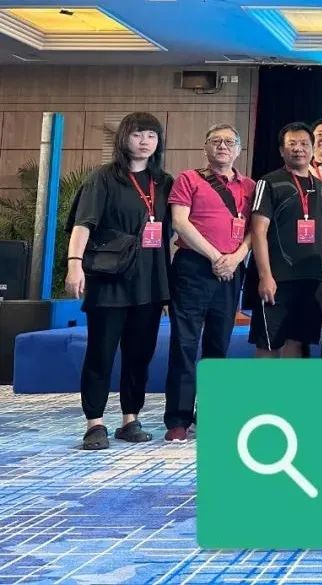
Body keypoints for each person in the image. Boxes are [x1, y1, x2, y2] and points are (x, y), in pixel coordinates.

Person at [65, 112, 173, 450]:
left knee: (139, 355)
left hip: (150, 283)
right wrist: (74, 264)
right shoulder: (104, 178)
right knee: (101, 353)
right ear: (124, 137)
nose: (145, 141)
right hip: (110, 281)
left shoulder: (164, 182)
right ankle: (94, 423)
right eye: (138, 134)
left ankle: (130, 419)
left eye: (151, 135)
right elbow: (83, 224)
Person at [164, 122, 255, 443]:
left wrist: (236, 257)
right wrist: (217, 257)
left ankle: (211, 413)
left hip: (231, 270)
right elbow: (179, 222)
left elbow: (254, 230)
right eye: (216, 141)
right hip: (193, 267)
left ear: (239, 149)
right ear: (205, 147)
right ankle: (178, 419)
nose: (223, 146)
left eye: (230, 142)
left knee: (219, 343)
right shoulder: (189, 179)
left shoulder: (249, 186)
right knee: (185, 343)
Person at [249, 122, 322, 358]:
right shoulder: (269, 182)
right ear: (281, 151)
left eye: (304, 143)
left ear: (313, 149)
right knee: (269, 343)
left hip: (311, 280)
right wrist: (265, 276)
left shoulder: (321, 187)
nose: (298, 148)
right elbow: (258, 232)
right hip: (277, 279)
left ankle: (292, 384)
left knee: (299, 343)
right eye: (292, 144)